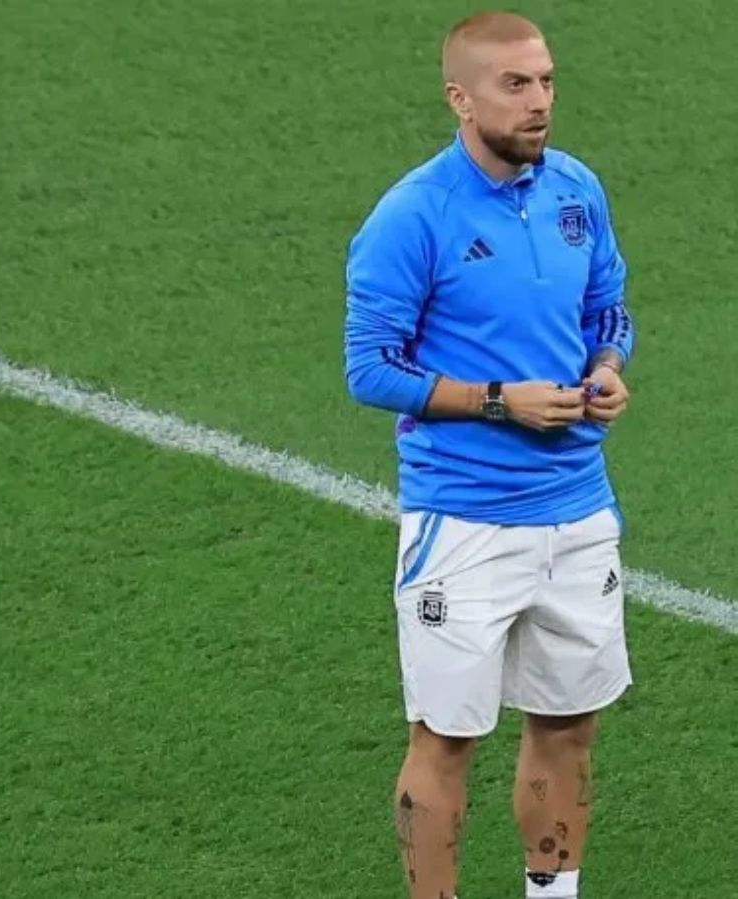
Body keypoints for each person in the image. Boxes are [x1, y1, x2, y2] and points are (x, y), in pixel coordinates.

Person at [343, 12, 634, 899]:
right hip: (464, 519)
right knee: (447, 735)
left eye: (546, 81)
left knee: (569, 720)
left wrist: (606, 370)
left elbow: (608, 311)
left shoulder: (577, 189)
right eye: (516, 85)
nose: (540, 101)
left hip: (578, 508)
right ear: (460, 98)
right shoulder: (412, 215)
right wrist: (502, 402)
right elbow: (370, 367)